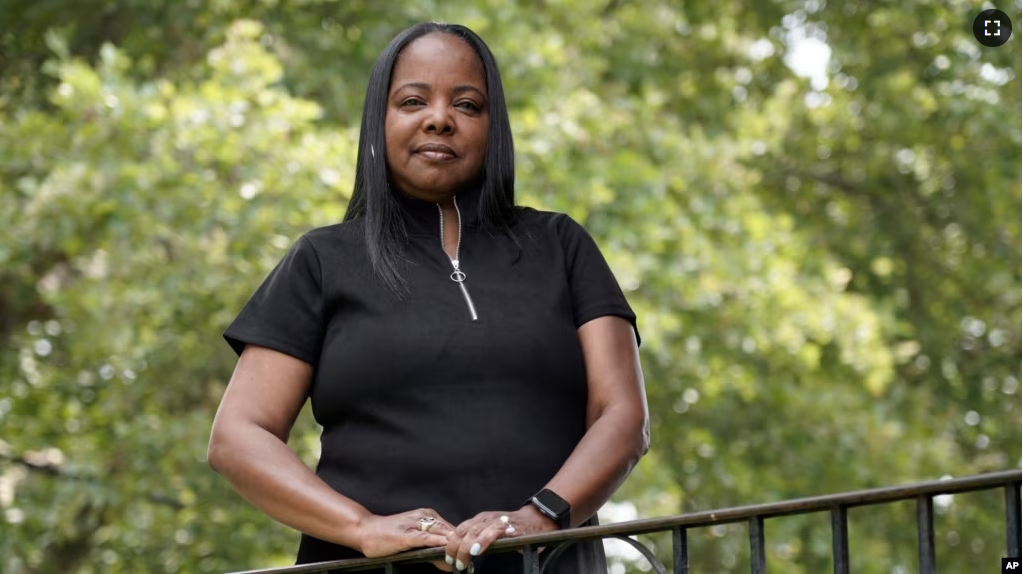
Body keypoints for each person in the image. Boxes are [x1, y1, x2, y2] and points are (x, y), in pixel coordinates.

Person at [207, 22, 649, 574]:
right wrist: (360, 527)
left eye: (467, 104)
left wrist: (542, 518)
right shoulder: (322, 259)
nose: (439, 118)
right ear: (380, 120)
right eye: (413, 100)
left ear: (493, 127)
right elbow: (237, 437)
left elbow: (624, 416)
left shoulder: (561, 246)